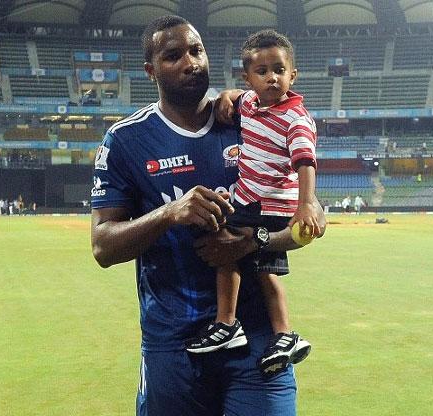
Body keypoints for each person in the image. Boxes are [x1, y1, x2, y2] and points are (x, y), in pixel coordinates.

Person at [91, 15, 325, 416]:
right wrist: (168, 213)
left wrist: (255, 241)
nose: (190, 62)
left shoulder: (246, 120)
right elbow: (102, 246)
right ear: (151, 71)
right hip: (174, 341)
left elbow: (308, 216)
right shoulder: (126, 140)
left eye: (197, 51)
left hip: (256, 337)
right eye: (173, 55)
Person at [185, 30, 320, 378]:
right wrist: (228, 95)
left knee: (232, 254)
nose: (272, 77)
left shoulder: (296, 117)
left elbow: (305, 160)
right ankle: (278, 334)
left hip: (270, 205)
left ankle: (232, 325)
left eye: (279, 69)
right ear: (248, 78)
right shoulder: (248, 103)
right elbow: (232, 97)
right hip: (252, 200)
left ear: (293, 74)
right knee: (261, 272)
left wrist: (306, 203)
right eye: (262, 71)